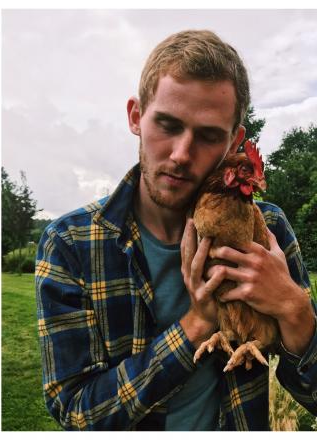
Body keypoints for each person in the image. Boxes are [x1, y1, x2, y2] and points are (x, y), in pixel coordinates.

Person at [35, 30, 317, 430]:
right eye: (167, 125)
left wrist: (295, 310)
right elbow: (76, 411)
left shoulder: (267, 229)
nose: (182, 154)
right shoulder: (72, 243)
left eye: (207, 136)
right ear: (136, 117)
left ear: (234, 140)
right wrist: (197, 323)